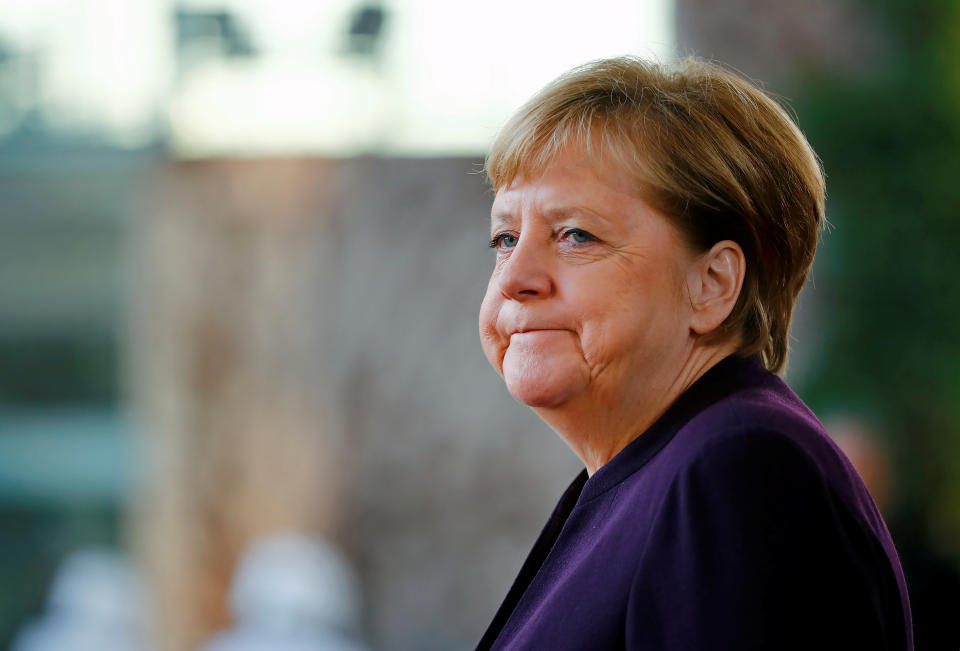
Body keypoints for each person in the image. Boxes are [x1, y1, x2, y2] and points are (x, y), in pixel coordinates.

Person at [475, 56, 913, 650]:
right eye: (505, 238)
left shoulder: (737, 470)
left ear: (711, 285)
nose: (515, 277)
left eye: (576, 234)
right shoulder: (662, 469)